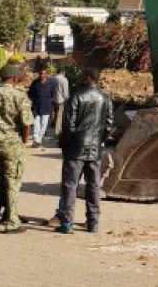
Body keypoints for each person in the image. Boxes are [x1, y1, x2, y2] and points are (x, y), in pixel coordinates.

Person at [52, 67, 114, 234]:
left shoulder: (76, 96)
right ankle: (93, 223)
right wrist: (99, 139)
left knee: (70, 185)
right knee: (93, 186)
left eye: (82, 76)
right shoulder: (106, 98)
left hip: (76, 148)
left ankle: (67, 222)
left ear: (87, 78)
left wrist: (66, 144)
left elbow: (69, 125)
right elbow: (109, 125)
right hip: (95, 149)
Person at [0, 63, 33, 234]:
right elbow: (26, 123)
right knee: (12, 182)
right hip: (12, 144)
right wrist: (24, 142)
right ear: (15, 78)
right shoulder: (20, 96)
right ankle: (11, 222)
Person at [26, 66, 57, 147]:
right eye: (40, 74)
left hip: (47, 107)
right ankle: (36, 140)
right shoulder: (35, 83)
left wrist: (52, 102)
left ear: (46, 75)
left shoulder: (51, 83)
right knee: (36, 124)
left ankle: (39, 139)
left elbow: (53, 94)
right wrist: (32, 101)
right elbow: (30, 93)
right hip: (36, 107)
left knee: (44, 124)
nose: (41, 75)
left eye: (43, 74)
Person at [50, 64, 69, 138]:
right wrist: (67, 100)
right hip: (60, 100)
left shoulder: (52, 78)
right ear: (63, 72)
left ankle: (52, 126)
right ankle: (57, 133)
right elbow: (65, 92)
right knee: (59, 116)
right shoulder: (64, 79)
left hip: (53, 99)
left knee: (54, 114)